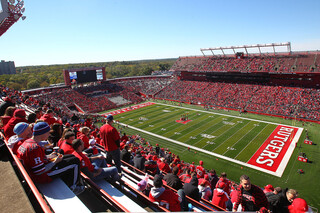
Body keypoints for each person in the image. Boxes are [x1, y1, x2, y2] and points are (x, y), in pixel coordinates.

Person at [16, 122, 84, 195]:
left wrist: (50, 156)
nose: (49, 135)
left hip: (35, 172)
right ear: (42, 133)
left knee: (71, 156)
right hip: (41, 177)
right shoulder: (34, 148)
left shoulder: (28, 142)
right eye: (48, 132)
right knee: (75, 162)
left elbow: (37, 160)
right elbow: (39, 171)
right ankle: (74, 187)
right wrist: (55, 162)